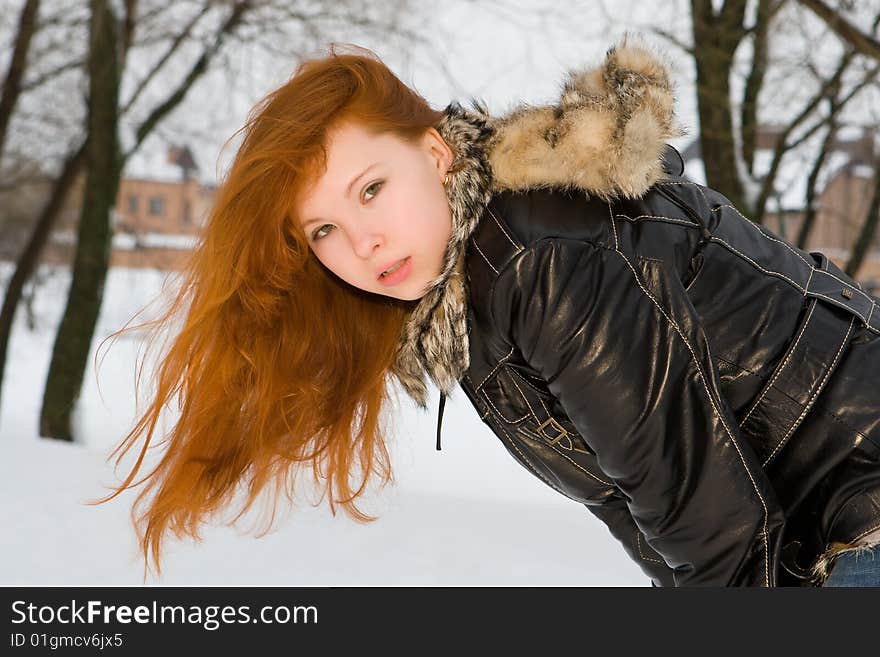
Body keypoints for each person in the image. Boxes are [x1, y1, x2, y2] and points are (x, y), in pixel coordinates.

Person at [95, 38, 880, 586]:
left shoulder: (539, 257)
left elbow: (722, 542)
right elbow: (648, 515)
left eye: (371, 188)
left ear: (435, 155)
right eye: (324, 229)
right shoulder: (466, 287)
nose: (362, 242)